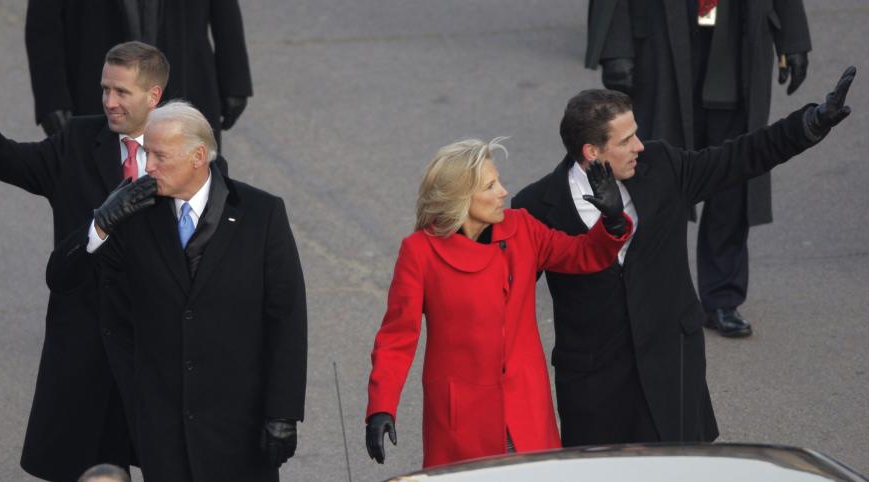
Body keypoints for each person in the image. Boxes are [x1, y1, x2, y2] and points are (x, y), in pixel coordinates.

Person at [512, 69, 854, 446]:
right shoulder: (537, 206)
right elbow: (505, 296)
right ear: (593, 152)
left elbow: (738, 157)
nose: (640, 145)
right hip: (594, 385)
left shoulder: (663, 166)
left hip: (671, 366)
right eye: (627, 140)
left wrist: (808, 125)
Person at [0, 42, 206, 481]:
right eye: (104, 89)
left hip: (160, 349)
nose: (108, 101)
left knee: (175, 465)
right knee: (98, 466)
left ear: (154, 97)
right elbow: (9, 160)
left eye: (121, 92)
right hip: (90, 345)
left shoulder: (184, 148)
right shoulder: (79, 141)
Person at [46, 101, 307, 481]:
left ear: (198, 156)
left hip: (241, 430)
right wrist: (100, 222)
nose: (146, 165)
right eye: (146, 152)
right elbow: (62, 277)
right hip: (162, 431)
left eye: (158, 156)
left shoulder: (261, 214)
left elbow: (287, 317)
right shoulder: (133, 214)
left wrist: (283, 413)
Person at [364, 138, 633, 468]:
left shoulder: (522, 228)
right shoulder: (420, 252)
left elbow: (583, 254)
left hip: (526, 408)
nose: (503, 191)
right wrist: (381, 407)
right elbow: (397, 338)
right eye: (490, 185)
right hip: (462, 420)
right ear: (461, 197)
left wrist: (613, 222)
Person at [585, 0, 812, 336]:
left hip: (737, 40)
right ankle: (652, 294)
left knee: (737, 173)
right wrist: (616, 48)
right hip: (661, 41)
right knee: (656, 177)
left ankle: (722, 297)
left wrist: (793, 38)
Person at [26, 0, 252, 142]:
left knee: (193, 202)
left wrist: (235, 77)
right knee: (103, 200)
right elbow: (43, 24)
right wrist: (52, 98)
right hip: (99, 93)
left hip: (185, 79)